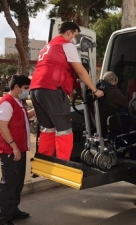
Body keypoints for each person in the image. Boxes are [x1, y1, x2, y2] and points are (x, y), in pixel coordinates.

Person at [30, 21, 103, 161]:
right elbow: (81, 72)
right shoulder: (67, 45)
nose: (74, 40)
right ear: (69, 32)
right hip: (51, 89)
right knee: (64, 128)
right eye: (74, 36)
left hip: (36, 89)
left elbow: (56, 68)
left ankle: (44, 161)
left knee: (47, 128)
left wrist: (70, 91)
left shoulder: (49, 46)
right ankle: (63, 163)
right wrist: (95, 90)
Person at [0, 75, 35, 225]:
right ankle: (3, 219)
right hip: (10, 151)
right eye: (25, 88)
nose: (27, 91)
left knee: (17, 183)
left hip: (19, 149)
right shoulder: (6, 103)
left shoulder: (18, 102)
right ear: (16, 87)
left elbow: (25, 117)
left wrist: (37, 108)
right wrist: (14, 147)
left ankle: (13, 211)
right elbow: (2, 127)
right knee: (9, 184)